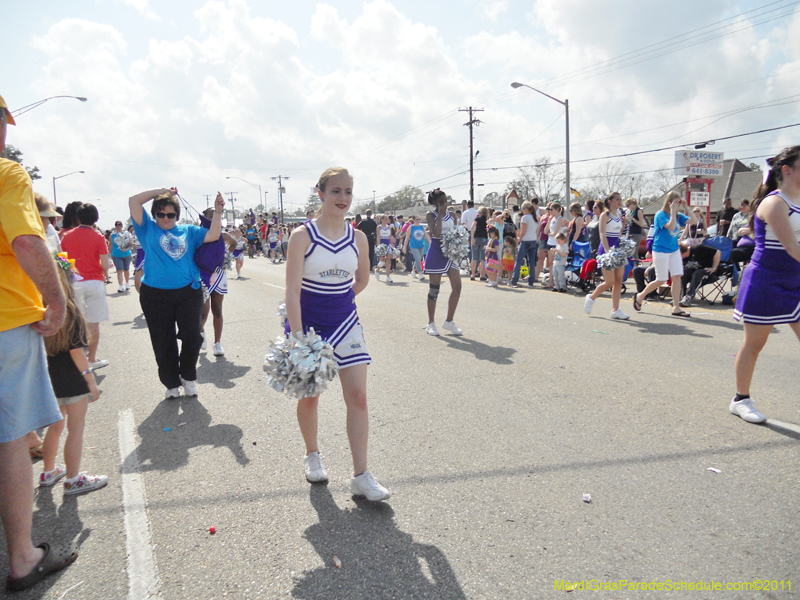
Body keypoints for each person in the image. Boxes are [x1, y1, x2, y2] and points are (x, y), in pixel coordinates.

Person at [0, 94, 78, 591]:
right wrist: (55, 301)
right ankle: (23, 558)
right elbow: (26, 240)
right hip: (6, 323)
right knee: (10, 439)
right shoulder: (7, 174)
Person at [286, 167, 390, 501]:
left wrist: (339, 302)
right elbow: (291, 292)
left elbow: (361, 280)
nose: (343, 198)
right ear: (320, 193)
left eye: (348, 191)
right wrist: (300, 336)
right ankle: (312, 453)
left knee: (357, 396)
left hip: (346, 321)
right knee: (312, 395)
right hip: (310, 325)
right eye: (335, 191)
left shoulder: (358, 237)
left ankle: (361, 475)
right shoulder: (302, 236)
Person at [129, 188, 223, 398]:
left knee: (192, 336)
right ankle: (171, 383)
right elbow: (134, 201)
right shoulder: (147, 229)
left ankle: (188, 377)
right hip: (155, 295)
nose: (165, 218)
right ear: (154, 215)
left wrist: (217, 211)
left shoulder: (189, 231)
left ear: (177, 215)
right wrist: (161, 192)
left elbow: (213, 234)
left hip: (188, 293)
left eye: (170, 214)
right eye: (160, 214)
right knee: (163, 341)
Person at [730, 147, 800, 424]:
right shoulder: (774, 203)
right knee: (755, 344)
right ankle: (740, 399)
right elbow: (792, 247)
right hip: (767, 280)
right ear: (787, 170)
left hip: (795, 280)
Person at [40, 256, 107, 495]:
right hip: (73, 382)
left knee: (54, 428)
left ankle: (48, 471)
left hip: (49, 380)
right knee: (75, 429)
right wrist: (91, 380)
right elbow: (77, 352)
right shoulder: (70, 312)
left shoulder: (38, 309)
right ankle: (73, 478)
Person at [61, 203, 111, 370]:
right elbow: (105, 264)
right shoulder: (98, 237)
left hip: (75, 282)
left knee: (76, 322)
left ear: (77, 218)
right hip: (94, 281)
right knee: (93, 323)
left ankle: (76, 359)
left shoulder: (66, 236)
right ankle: (92, 359)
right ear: (95, 218)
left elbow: (62, 262)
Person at [633, 191, 697, 317]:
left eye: (679, 202)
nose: (677, 204)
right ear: (669, 202)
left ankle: (676, 307)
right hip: (660, 250)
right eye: (676, 202)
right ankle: (640, 295)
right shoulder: (660, 215)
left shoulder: (678, 215)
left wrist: (686, 207)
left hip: (674, 250)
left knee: (677, 276)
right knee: (661, 279)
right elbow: (672, 226)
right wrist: (672, 211)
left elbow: (694, 220)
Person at [584, 192, 631, 319]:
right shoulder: (605, 215)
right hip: (607, 249)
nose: (619, 201)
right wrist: (607, 251)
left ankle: (615, 310)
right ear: (609, 201)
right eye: (617, 199)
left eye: (620, 199)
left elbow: (619, 232)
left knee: (618, 281)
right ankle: (591, 297)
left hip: (618, 248)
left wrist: (625, 223)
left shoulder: (619, 214)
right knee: (609, 282)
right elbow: (602, 234)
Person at [423, 189, 463, 335]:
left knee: (457, 287)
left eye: (445, 201)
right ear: (434, 203)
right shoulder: (430, 215)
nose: (444, 204)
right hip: (436, 252)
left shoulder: (452, 215)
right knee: (434, 290)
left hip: (450, 253)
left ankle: (449, 321)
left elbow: (456, 232)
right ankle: (431, 323)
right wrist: (440, 215)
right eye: (441, 202)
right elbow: (436, 233)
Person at [199, 207, 237, 357]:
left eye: (218, 216)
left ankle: (217, 343)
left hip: (218, 275)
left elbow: (233, 243)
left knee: (217, 309)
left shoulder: (223, 235)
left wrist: (227, 257)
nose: (215, 218)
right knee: (203, 310)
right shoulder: (199, 234)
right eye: (211, 216)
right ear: (205, 217)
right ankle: (201, 332)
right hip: (202, 275)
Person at [679, 242, 721, 307]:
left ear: (682, 253)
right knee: (682, 273)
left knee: (698, 273)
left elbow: (717, 252)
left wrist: (714, 268)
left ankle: (688, 297)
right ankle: (682, 296)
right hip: (693, 271)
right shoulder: (684, 258)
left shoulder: (698, 248)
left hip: (707, 271)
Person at [510, 201, 539, 288]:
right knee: (531, 262)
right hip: (533, 240)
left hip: (525, 240)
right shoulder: (535, 218)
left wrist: (519, 238)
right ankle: (531, 281)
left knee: (518, 261)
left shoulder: (525, 218)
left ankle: (514, 280)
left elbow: (523, 230)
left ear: (526, 209)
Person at [109, 220, 134, 292]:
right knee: (119, 270)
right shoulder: (112, 235)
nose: (118, 226)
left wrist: (127, 248)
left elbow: (131, 242)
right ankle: (120, 285)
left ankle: (127, 283)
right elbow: (110, 244)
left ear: (122, 226)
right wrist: (108, 253)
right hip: (116, 255)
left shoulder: (126, 234)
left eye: (119, 225)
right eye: (116, 225)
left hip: (127, 254)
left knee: (126, 270)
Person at [402, 215, 428, 281]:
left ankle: (413, 271)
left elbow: (426, 236)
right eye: (416, 219)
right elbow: (407, 238)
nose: (418, 220)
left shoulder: (422, 227)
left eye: (419, 219)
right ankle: (420, 273)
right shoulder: (411, 227)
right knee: (418, 259)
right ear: (413, 220)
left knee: (418, 259)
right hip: (413, 246)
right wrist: (404, 247)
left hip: (421, 245)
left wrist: (431, 242)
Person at [624, 198, 647, 265]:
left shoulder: (639, 211)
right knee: (629, 251)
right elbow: (631, 222)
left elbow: (641, 224)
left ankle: (636, 266)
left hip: (637, 233)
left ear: (633, 204)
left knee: (634, 251)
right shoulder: (631, 211)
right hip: (630, 232)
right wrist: (627, 219)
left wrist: (632, 218)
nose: (627, 207)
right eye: (626, 205)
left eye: (628, 205)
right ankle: (631, 266)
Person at [470, 206, 489, 281]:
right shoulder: (487, 220)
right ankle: (482, 275)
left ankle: (473, 274)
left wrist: (472, 237)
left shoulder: (477, 219)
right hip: (484, 238)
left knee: (474, 257)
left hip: (476, 237)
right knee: (482, 258)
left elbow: (472, 227)